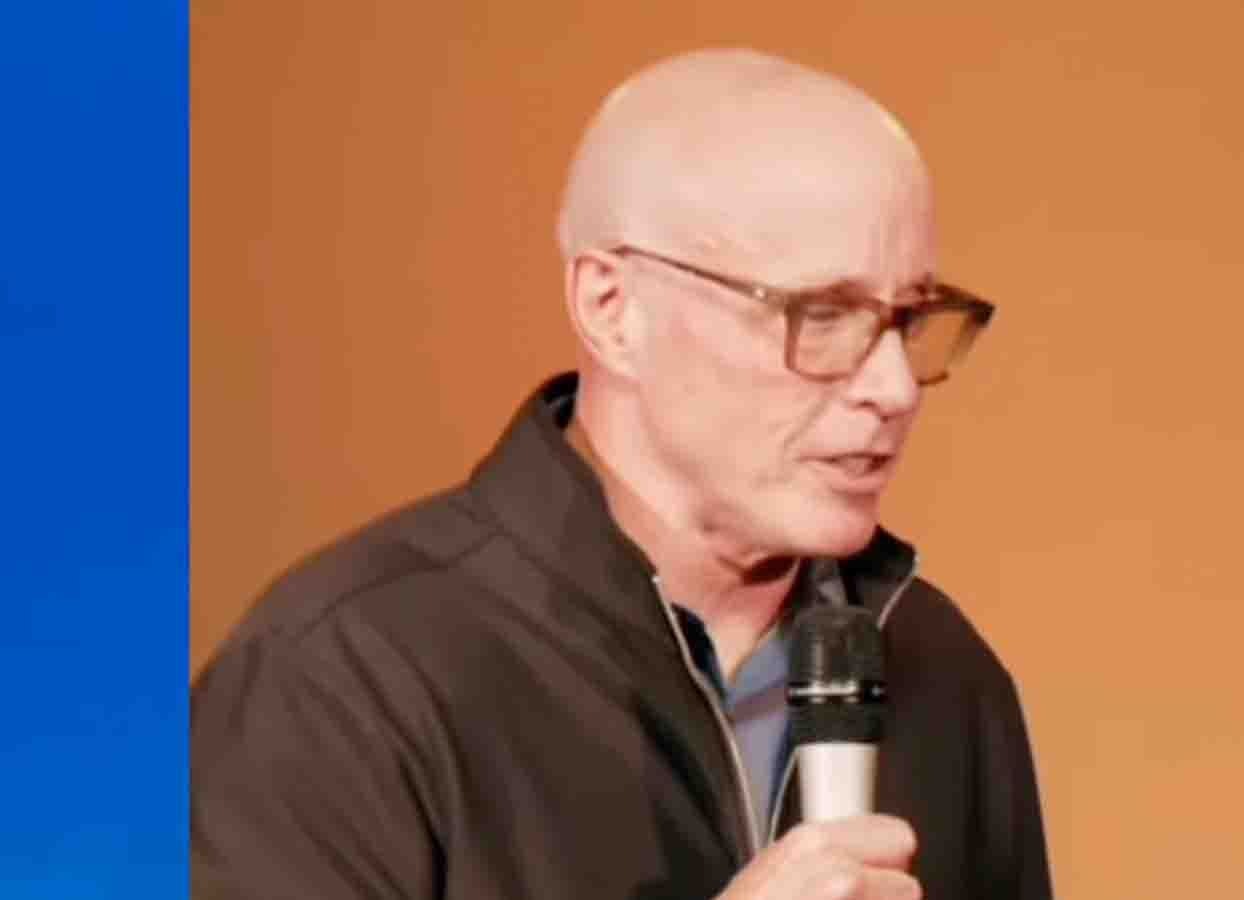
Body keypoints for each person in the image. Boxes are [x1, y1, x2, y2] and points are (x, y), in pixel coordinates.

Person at [191, 47, 1053, 900]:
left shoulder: (942, 669)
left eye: (909, 319)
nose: (894, 389)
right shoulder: (344, 675)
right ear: (612, 309)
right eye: (822, 315)